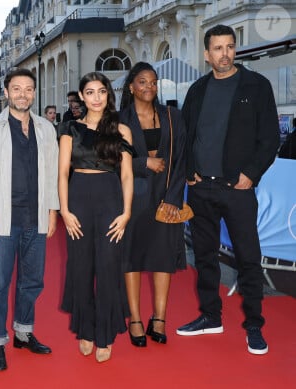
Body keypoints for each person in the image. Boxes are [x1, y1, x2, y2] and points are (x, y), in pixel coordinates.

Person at [176, 25, 279, 355]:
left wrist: (251, 173)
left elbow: (269, 139)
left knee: (248, 258)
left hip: (238, 189)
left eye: (229, 47)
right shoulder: (197, 90)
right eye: (217, 48)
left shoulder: (256, 86)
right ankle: (210, 316)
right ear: (206, 54)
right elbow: (186, 135)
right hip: (201, 189)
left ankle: (254, 325)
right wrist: (189, 170)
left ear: (235, 50)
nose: (224, 53)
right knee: (205, 256)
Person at [0, 68, 59, 371]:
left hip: (36, 216)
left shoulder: (46, 129)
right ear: (6, 92)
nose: (23, 94)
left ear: (34, 92)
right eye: (17, 89)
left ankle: (23, 332)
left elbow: (53, 174)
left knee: (32, 281)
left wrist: (53, 211)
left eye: (29, 89)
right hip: (3, 219)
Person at [58, 72, 133, 363]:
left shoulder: (121, 130)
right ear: (81, 96)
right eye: (90, 92)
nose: (97, 98)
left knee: (107, 266)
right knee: (80, 266)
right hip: (78, 197)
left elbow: (127, 175)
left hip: (110, 197)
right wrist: (64, 210)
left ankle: (104, 334)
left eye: (101, 91)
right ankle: (86, 330)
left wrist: (126, 213)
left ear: (108, 95)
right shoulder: (69, 129)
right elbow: (63, 172)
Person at [118, 62, 187, 348]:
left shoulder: (172, 116)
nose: (149, 87)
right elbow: (109, 158)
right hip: (131, 198)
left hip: (165, 198)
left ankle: (159, 317)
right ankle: (134, 318)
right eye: (143, 82)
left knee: (163, 257)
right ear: (131, 86)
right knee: (130, 257)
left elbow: (182, 158)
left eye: (154, 82)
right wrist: (142, 162)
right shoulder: (119, 118)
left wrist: (173, 198)